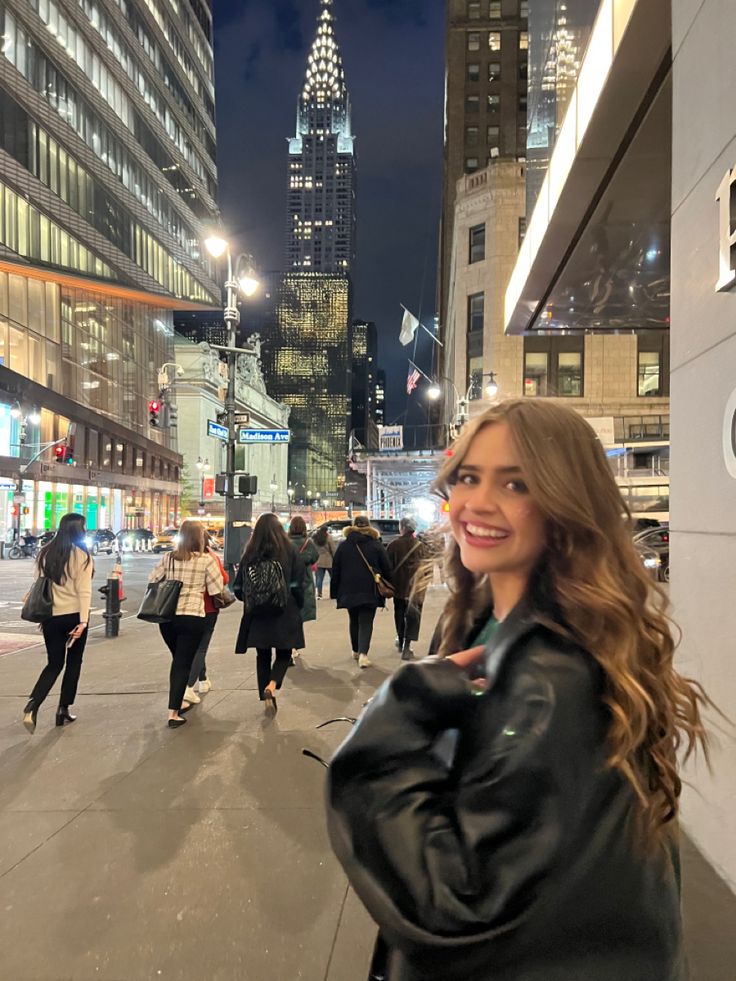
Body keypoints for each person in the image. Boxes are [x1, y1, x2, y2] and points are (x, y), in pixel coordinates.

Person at [326, 399, 711, 981]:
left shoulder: (552, 676)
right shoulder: (489, 619)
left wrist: (393, 721)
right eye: (468, 477)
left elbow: (457, 907)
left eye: (516, 483)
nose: (477, 502)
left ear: (565, 505)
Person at [149, 519, 224, 728]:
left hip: (167, 617)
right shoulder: (205, 560)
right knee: (182, 662)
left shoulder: (168, 558)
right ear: (199, 537)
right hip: (192, 616)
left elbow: (153, 579)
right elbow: (216, 589)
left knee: (178, 660)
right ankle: (174, 712)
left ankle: (179, 700)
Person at [23, 513, 93, 733]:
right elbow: (84, 591)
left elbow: (37, 583)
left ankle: (33, 704)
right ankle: (63, 708)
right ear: (77, 530)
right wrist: (83, 622)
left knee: (54, 663)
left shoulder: (45, 553)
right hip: (73, 616)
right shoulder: (81, 556)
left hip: (50, 616)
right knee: (74, 662)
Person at [233, 512, 306, 714]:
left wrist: (251, 600)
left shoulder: (249, 552)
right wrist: (296, 603)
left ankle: (264, 692)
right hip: (284, 609)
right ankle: (272, 686)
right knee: (284, 652)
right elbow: (298, 583)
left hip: (257, 612)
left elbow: (238, 586)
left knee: (262, 653)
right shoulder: (290, 550)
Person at [330, 515, 392, 669]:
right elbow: (387, 567)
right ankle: (363, 655)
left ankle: (356, 650)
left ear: (353, 526)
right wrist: (390, 583)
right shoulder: (376, 545)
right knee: (366, 621)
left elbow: (335, 569)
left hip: (348, 589)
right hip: (369, 589)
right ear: (369, 527)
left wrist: (334, 591)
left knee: (354, 619)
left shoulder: (344, 546)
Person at [182, 532, 229, 705]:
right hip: (208, 607)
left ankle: (203, 680)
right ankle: (188, 686)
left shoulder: (179, 557)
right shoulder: (211, 557)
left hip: (183, 609)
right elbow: (223, 579)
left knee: (194, 647)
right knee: (201, 647)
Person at [386, 517, 426, 661]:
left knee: (399, 613)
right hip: (417, 588)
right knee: (413, 616)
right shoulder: (420, 546)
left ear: (402, 528)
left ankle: (401, 640)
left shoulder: (393, 545)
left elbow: (387, 567)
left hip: (399, 587)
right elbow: (426, 568)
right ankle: (407, 646)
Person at [313, 525, 336, 599]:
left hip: (318, 560)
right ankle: (333, 594)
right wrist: (335, 558)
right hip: (329, 560)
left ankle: (319, 594)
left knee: (319, 578)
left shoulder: (315, 537)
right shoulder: (329, 537)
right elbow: (333, 549)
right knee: (333, 578)